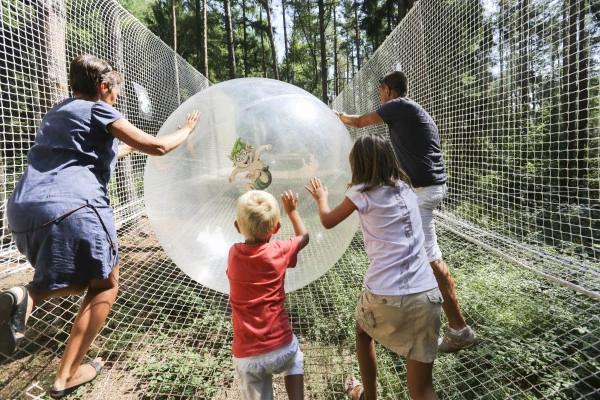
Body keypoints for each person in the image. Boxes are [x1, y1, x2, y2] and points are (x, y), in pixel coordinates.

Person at [0, 54, 200, 398]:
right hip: (73, 206)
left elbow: (92, 151)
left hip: (24, 210)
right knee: (106, 284)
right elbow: (159, 146)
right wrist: (187, 128)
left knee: (79, 282)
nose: (116, 99)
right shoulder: (99, 109)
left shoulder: (58, 113)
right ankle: (66, 376)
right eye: (115, 92)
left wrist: (127, 150)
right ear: (103, 86)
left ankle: (22, 296)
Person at [335, 71, 476, 353]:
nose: (379, 98)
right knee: (419, 252)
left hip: (424, 192)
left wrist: (336, 115)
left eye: (379, 93)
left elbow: (361, 122)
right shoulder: (409, 110)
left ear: (387, 90)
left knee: (431, 257)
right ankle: (421, 311)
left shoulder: (399, 105)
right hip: (425, 189)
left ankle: (459, 329)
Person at [305, 134, 443, 400]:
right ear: (389, 159)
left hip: (386, 294)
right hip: (427, 295)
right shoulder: (405, 188)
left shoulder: (361, 192)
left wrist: (322, 197)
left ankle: (369, 396)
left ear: (358, 164)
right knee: (423, 389)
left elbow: (328, 221)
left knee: (362, 331)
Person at [227, 189, 309, 400]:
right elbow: (303, 237)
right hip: (282, 348)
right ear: (276, 228)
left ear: (237, 226)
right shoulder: (280, 250)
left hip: (247, 356)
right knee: (295, 358)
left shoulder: (233, 255)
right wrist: (292, 211)